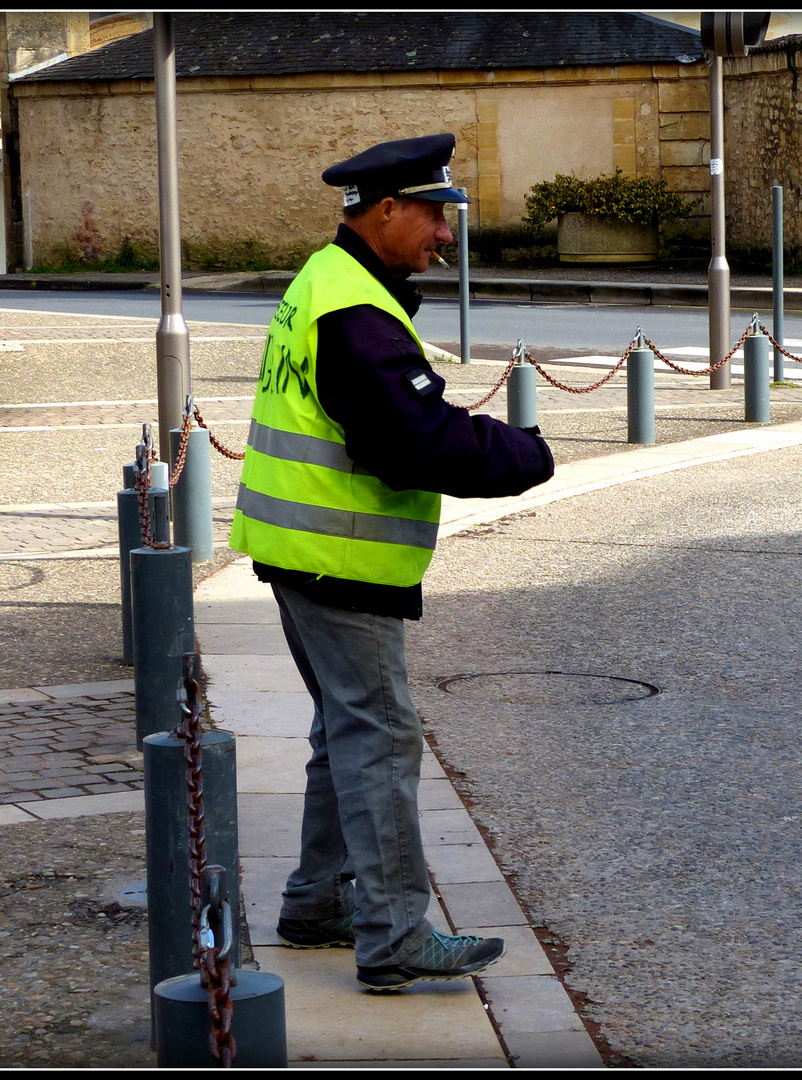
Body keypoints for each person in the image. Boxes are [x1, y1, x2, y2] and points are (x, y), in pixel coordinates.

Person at [230, 133, 554, 992]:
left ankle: (315, 904)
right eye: (434, 216)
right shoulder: (358, 314)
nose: (445, 236)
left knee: (344, 731)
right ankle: (395, 936)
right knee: (380, 736)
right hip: (339, 558)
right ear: (385, 210)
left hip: (298, 549)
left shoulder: (325, 280)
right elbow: (412, 443)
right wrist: (522, 453)